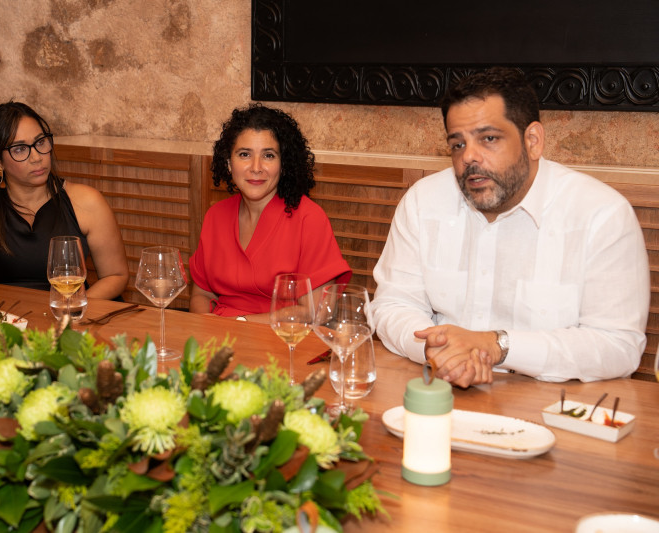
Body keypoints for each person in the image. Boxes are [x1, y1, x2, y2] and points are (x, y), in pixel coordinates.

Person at [370, 67, 649, 386]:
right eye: (458, 144)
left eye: (489, 138)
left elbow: (618, 346)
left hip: (552, 409)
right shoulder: (424, 201)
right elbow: (394, 304)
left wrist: (499, 345)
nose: (469, 158)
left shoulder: (602, 215)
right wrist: (439, 349)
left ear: (533, 141)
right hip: (438, 390)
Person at [0, 102, 128, 299]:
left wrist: (74, 307)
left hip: (69, 320)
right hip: (0, 323)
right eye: (20, 149)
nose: (37, 157)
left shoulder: (87, 201)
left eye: (40, 142)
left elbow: (116, 275)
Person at [189, 103, 351, 321]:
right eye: (244, 154)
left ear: (283, 164)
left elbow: (316, 312)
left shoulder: (309, 218)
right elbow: (201, 294)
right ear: (228, 163)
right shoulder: (215, 215)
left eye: (268, 155)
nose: (256, 167)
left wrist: (240, 325)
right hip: (218, 339)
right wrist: (207, 330)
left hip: (285, 341)